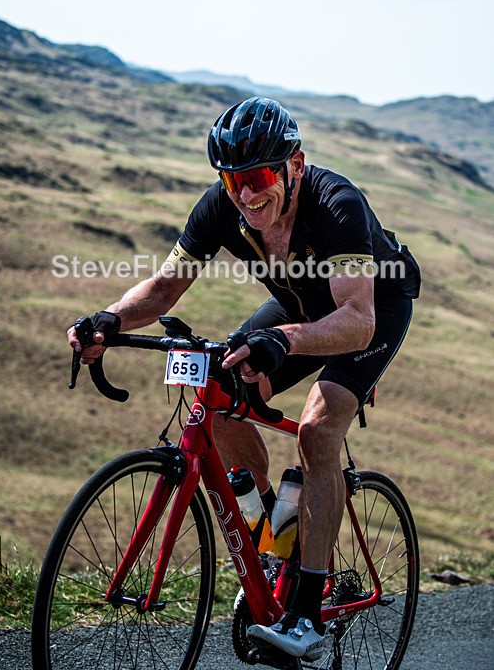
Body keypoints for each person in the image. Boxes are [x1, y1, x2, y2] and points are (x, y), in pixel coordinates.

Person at [68, 97, 421, 661]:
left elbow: (356, 320)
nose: (247, 194)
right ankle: (270, 543)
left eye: (257, 177)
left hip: (372, 311)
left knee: (317, 432)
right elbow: (164, 288)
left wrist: (283, 340)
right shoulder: (221, 206)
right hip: (299, 309)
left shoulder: (337, 205)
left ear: (295, 165)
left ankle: (306, 613)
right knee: (222, 393)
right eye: (233, 181)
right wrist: (109, 318)